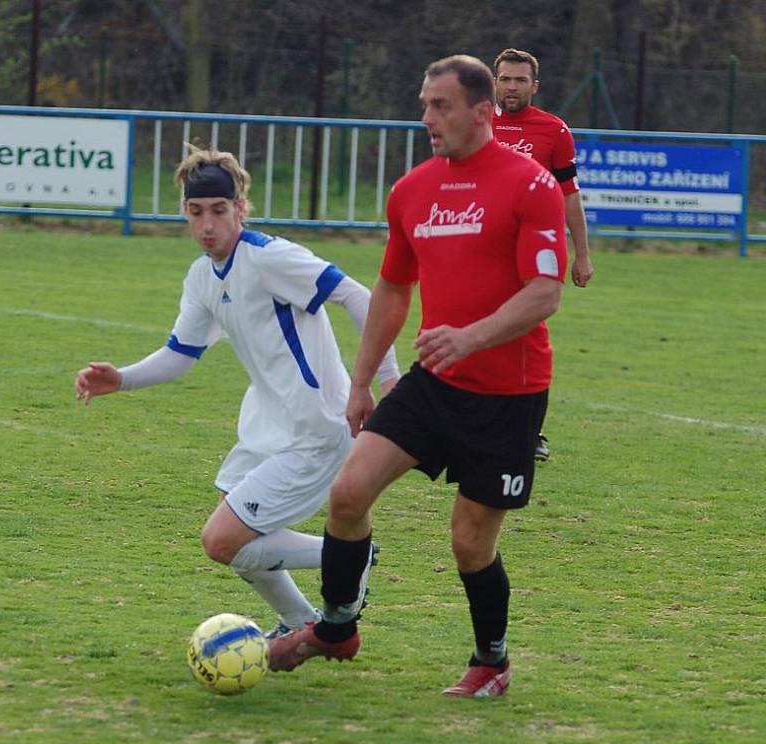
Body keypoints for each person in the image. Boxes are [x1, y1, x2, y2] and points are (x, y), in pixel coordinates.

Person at [268, 55, 568, 698]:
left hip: (507, 395)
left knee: (468, 544)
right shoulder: (412, 190)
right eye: (425, 104)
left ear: (483, 112)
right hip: (434, 382)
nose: (427, 117)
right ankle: (338, 627)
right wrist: (360, 380)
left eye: (441, 106)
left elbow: (545, 293)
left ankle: (492, 662)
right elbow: (393, 286)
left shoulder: (530, 184)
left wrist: (469, 335)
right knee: (348, 494)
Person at [75, 146, 400, 638]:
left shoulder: (271, 258)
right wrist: (121, 378)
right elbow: (181, 354)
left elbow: (358, 296)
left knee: (222, 540)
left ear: (241, 208)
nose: (208, 224)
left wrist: (382, 380)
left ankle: (351, 553)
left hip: (317, 428)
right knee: (239, 521)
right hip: (270, 427)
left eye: (219, 211)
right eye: (195, 212)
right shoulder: (202, 276)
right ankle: (300, 621)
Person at [492, 47, 594, 462]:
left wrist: (582, 254)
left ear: (534, 86)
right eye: (505, 79)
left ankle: (530, 432)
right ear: (493, 82)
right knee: (472, 334)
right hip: (482, 252)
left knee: (526, 338)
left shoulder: (553, 130)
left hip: (532, 254)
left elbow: (570, 195)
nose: (512, 87)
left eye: (520, 80)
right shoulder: (475, 122)